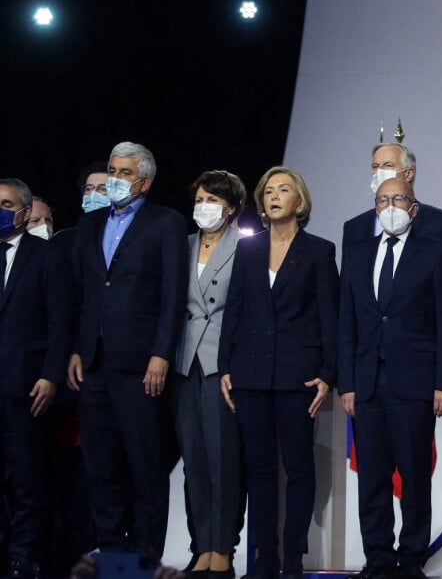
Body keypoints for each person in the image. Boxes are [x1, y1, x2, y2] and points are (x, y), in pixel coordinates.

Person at [66, 142, 189, 557]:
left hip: (141, 364)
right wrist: (78, 348)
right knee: (100, 466)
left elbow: (173, 294)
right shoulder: (90, 224)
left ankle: (145, 555)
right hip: (94, 362)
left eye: (124, 174)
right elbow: (83, 291)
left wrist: (162, 353)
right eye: (112, 171)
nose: (115, 180)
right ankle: (110, 550)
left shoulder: (166, 223)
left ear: (145, 182)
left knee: (145, 465)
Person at [219, 166, 339, 579]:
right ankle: (263, 560)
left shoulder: (320, 251)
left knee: (300, 469)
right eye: (268, 190)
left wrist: (328, 372)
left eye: (283, 189)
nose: (273, 196)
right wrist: (225, 367)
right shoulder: (248, 250)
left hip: (298, 376)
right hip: (250, 375)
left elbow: (330, 317)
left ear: (299, 201)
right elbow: (234, 309)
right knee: (259, 470)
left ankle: (293, 561)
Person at [339, 178, 442, 579]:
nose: (390, 206)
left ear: (414, 207)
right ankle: (378, 558)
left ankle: (411, 558)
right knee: (372, 478)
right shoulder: (355, 254)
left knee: (414, 475)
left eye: (398, 198)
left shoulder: (436, 254)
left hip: (417, 383)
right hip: (367, 384)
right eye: (382, 199)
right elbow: (346, 323)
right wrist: (348, 384)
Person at [171, 170, 246, 579]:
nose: (205, 207)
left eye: (214, 200)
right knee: (194, 462)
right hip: (184, 362)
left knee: (224, 461)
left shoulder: (246, 246)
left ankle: (223, 549)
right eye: (200, 198)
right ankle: (201, 548)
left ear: (232, 207)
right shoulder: (180, 246)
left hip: (222, 364)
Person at [0, 178, 72, 579]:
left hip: (25, 387)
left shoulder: (45, 256)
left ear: (25, 212)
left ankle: (24, 554)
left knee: (27, 479)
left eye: (7, 204)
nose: (0, 210)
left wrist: (50, 376)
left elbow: (60, 323)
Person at [342, 142, 442, 258]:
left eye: (388, 165)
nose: (379, 172)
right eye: (375, 166)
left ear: (408, 174)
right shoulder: (354, 227)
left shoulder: (441, 223)